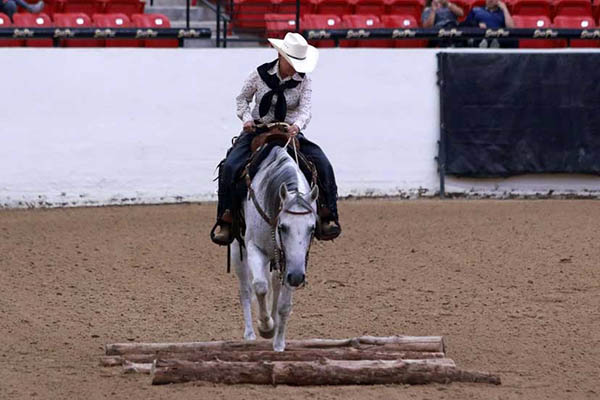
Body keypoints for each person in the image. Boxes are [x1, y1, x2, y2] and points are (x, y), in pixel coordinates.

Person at [211, 32, 341, 246]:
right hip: (258, 130)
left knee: (323, 165)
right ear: (281, 55)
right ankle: (226, 216)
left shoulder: (304, 81)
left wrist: (297, 126)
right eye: (292, 61)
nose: (295, 66)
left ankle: (327, 215)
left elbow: (305, 110)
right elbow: (242, 99)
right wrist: (245, 119)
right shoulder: (259, 75)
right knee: (231, 166)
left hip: (289, 131)